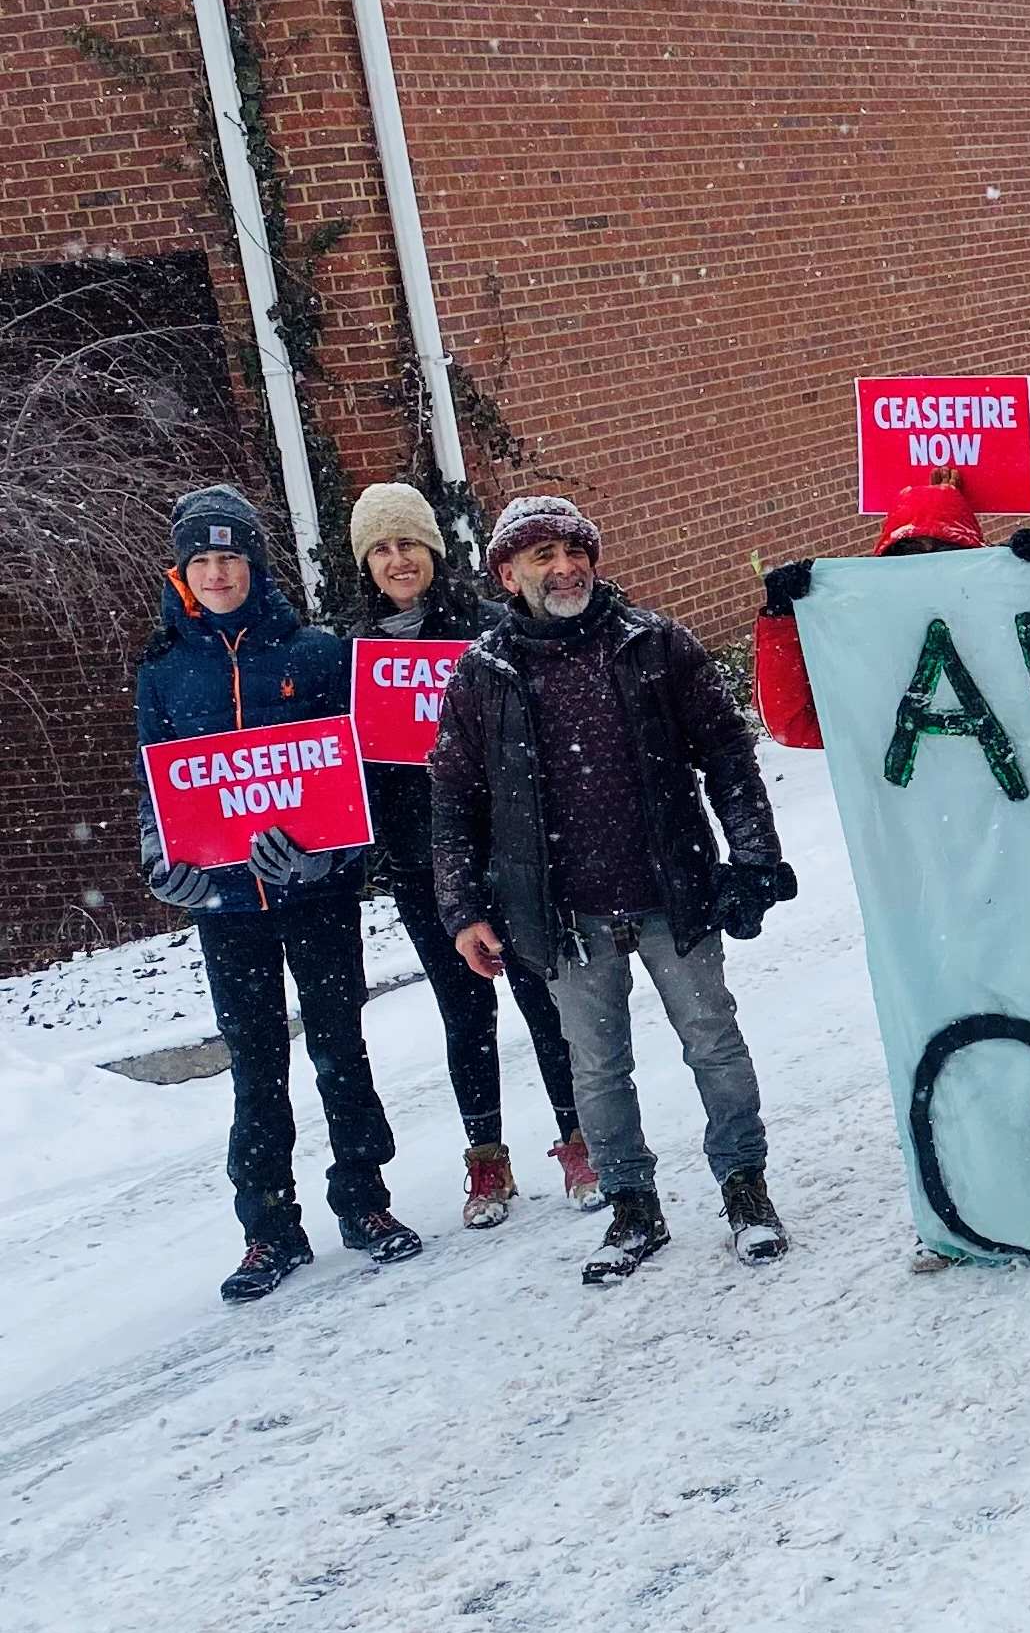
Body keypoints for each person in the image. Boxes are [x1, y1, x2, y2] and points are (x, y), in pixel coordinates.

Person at [431, 495, 796, 1283]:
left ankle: (745, 1186)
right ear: (507, 574)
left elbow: (728, 752)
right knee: (594, 1067)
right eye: (542, 555)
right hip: (564, 914)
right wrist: (462, 909)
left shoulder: (654, 645)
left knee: (714, 1043)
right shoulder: (483, 675)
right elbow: (454, 797)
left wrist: (754, 855)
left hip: (674, 893)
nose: (565, 568)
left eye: (575, 550)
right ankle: (633, 1204)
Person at [136, 485, 423, 1301]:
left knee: (341, 1051)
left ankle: (365, 1203)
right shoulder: (164, 671)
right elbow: (153, 788)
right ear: (183, 573)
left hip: (315, 899)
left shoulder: (315, 655)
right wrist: (163, 859)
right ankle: (268, 1230)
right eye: (203, 560)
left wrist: (327, 861)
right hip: (226, 910)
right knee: (255, 1069)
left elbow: (356, 785)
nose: (219, 572)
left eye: (231, 557)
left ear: (255, 567)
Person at [345, 482, 594, 1226]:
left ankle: (579, 1140)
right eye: (382, 549)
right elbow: (342, 765)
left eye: (409, 545)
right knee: (465, 1012)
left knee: (543, 1001)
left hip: (510, 853)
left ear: (433, 551)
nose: (398, 561)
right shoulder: (353, 654)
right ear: (366, 562)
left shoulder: (488, 632)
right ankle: (487, 1159)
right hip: (423, 865)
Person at [754, 470, 983, 750]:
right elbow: (795, 724)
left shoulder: (1000, 619)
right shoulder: (863, 635)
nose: (926, 564)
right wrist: (782, 620)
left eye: (943, 550)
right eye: (909, 552)